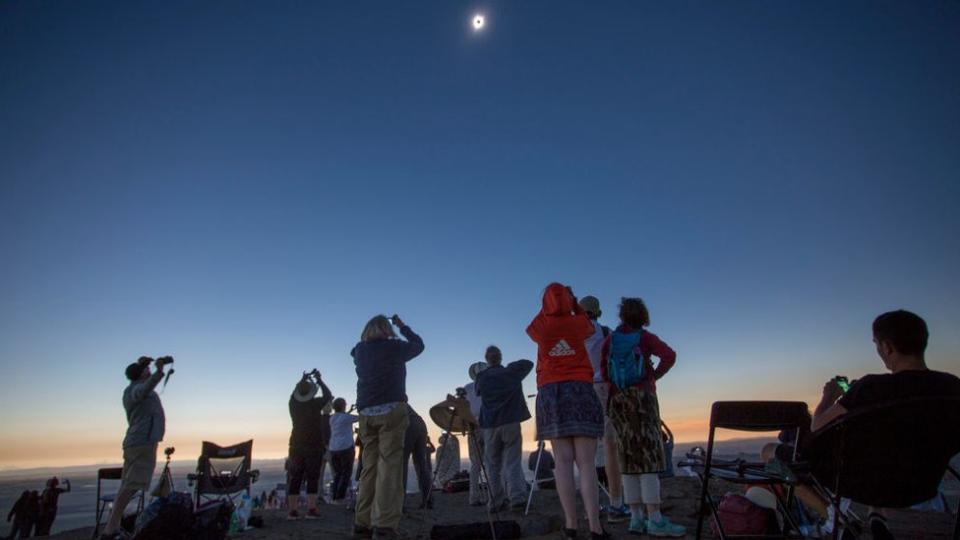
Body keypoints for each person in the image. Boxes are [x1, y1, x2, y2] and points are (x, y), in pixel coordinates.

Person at [804, 310, 960, 539]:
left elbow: (817, 427)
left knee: (777, 457)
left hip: (860, 484)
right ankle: (877, 517)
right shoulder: (952, 387)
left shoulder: (869, 388)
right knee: (885, 452)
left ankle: (837, 522)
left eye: (877, 344)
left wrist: (829, 396)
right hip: (923, 485)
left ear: (886, 347)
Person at [527, 283, 607, 539]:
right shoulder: (579, 323)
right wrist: (572, 304)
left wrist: (549, 306)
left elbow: (532, 327)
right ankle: (595, 526)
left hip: (551, 392)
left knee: (562, 462)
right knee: (586, 463)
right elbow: (587, 323)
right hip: (581, 389)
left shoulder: (542, 327)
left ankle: (571, 525)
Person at [601, 297, 684, 537]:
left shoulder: (611, 340)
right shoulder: (645, 338)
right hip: (644, 400)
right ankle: (655, 519)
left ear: (622, 316)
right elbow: (669, 355)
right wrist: (653, 377)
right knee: (648, 456)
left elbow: (605, 371)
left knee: (627, 456)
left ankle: (636, 518)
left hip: (618, 401)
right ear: (643, 316)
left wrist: (618, 387)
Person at [353, 314, 424, 540]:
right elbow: (419, 345)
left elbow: (355, 354)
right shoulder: (394, 347)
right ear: (386, 329)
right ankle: (384, 525)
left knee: (369, 468)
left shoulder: (359, 351)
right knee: (389, 468)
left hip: (366, 413)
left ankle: (361, 524)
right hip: (391, 410)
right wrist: (402, 326)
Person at [101, 356, 171, 539]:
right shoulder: (135, 390)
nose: (149, 372)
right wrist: (159, 371)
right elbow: (144, 388)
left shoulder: (134, 389)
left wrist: (144, 365)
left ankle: (113, 525)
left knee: (127, 485)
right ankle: (110, 529)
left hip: (138, 442)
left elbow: (145, 384)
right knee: (132, 485)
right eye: (145, 371)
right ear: (140, 375)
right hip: (142, 443)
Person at [578, 296, 629, 524]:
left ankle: (592, 505)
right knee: (610, 445)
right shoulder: (605, 331)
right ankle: (616, 503)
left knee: (585, 449)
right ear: (597, 311)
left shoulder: (572, 334)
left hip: (580, 390)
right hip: (604, 387)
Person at [475, 345, 534, 512]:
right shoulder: (512, 372)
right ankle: (516, 498)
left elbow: (478, 391)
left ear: (486, 359)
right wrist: (509, 367)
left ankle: (495, 502)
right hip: (510, 421)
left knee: (492, 465)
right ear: (500, 357)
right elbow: (528, 363)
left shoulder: (482, 376)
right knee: (512, 461)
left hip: (490, 425)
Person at [286, 369, 333, 519]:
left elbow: (294, 394)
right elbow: (328, 395)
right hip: (314, 444)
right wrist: (319, 380)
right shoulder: (315, 404)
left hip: (296, 444)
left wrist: (301, 381)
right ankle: (311, 509)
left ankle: (293, 511)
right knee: (313, 476)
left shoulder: (293, 404)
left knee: (295, 477)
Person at [464, 362, 488, 506]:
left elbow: (463, 409)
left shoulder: (467, 388)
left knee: (475, 465)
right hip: (488, 426)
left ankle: (473, 497)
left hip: (472, 427)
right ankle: (496, 495)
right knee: (492, 462)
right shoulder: (490, 385)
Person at [402, 405, 433, 509]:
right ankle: (428, 500)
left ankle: (400, 504)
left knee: (401, 464)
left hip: (408, 424)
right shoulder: (401, 399)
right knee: (421, 464)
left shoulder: (389, 399)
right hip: (420, 424)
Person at [330, 398, 360, 503]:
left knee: (337, 474)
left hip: (333, 449)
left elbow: (342, 417)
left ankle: (334, 497)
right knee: (346, 473)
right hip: (346, 448)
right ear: (343, 406)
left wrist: (350, 411)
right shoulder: (346, 418)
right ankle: (340, 497)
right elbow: (361, 418)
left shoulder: (332, 418)